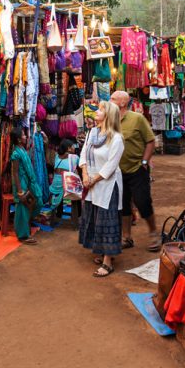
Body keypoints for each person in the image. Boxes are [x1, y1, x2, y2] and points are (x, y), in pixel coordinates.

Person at [79, 100, 125, 277]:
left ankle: (108, 262)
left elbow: (111, 166)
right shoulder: (92, 132)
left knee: (107, 220)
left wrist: (93, 180)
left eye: (99, 110)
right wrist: (85, 175)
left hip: (107, 184)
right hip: (91, 181)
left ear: (108, 116)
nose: (96, 112)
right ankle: (99, 250)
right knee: (94, 216)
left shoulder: (117, 138)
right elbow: (84, 153)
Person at [110, 91, 161, 252]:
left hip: (137, 168)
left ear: (122, 103)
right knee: (123, 204)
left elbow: (151, 141)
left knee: (142, 201)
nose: (109, 101)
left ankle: (154, 233)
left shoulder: (137, 118)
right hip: (118, 171)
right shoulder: (110, 120)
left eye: (112, 99)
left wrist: (145, 161)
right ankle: (126, 237)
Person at [9, 128, 40, 245]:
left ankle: (25, 228)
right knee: (22, 209)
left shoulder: (22, 149)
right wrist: (20, 191)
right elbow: (15, 172)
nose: (25, 136)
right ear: (18, 139)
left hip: (28, 181)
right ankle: (23, 236)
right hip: (21, 183)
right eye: (23, 135)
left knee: (35, 203)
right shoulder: (16, 153)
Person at [48, 139, 79, 218]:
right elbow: (81, 167)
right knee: (78, 188)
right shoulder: (75, 157)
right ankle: (78, 215)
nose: (74, 147)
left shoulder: (56, 157)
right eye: (73, 146)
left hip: (55, 186)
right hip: (68, 188)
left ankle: (58, 213)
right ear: (68, 148)